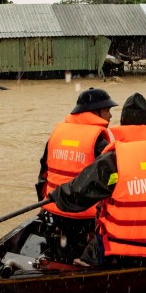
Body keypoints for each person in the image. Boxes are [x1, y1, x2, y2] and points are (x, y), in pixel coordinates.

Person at [49, 93, 146, 266]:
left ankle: (85, 263)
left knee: (97, 228)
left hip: (123, 256)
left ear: (124, 123)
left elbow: (78, 195)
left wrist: (56, 195)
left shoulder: (113, 160)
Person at [36, 87, 117, 262]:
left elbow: (43, 173)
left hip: (55, 210)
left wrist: (43, 203)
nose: (110, 116)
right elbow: (113, 179)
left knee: (62, 249)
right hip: (85, 217)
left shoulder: (57, 134)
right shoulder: (98, 141)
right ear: (95, 112)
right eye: (107, 110)